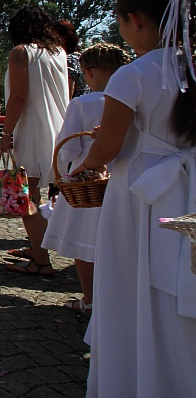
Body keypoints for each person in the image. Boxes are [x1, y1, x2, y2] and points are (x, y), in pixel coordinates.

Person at [76, 0, 196, 398]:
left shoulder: (135, 73)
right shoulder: (190, 68)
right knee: (180, 297)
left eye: (121, 22)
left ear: (138, 22)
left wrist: (82, 167)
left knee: (134, 290)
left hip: (141, 196)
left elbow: (106, 147)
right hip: (189, 190)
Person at [41, 43, 129, 316]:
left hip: (88, 182)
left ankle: (90, 298)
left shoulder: (82, 103)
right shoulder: (131, 98)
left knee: (84, 240)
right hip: (123, 177)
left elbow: (67, 148)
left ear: (88, 72)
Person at [0, 5, 69, 273]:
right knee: (36, 192)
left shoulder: (21, 52)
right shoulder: (58, 52)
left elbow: (18, 97)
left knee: (27, 196)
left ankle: (41, 260)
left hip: (32, 129)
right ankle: (36, 245)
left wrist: (6, 134)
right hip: (58, 127)